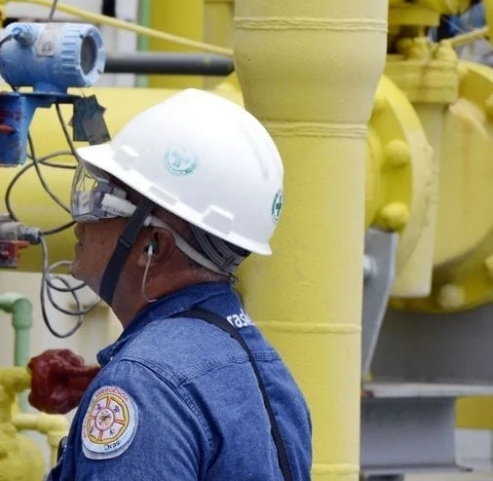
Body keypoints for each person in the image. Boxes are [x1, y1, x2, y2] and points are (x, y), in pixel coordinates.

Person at [47, 88, 313, 481]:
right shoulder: (269, 369)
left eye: (104, 203)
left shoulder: (144, 383)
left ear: (153, 245)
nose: (83, 222)